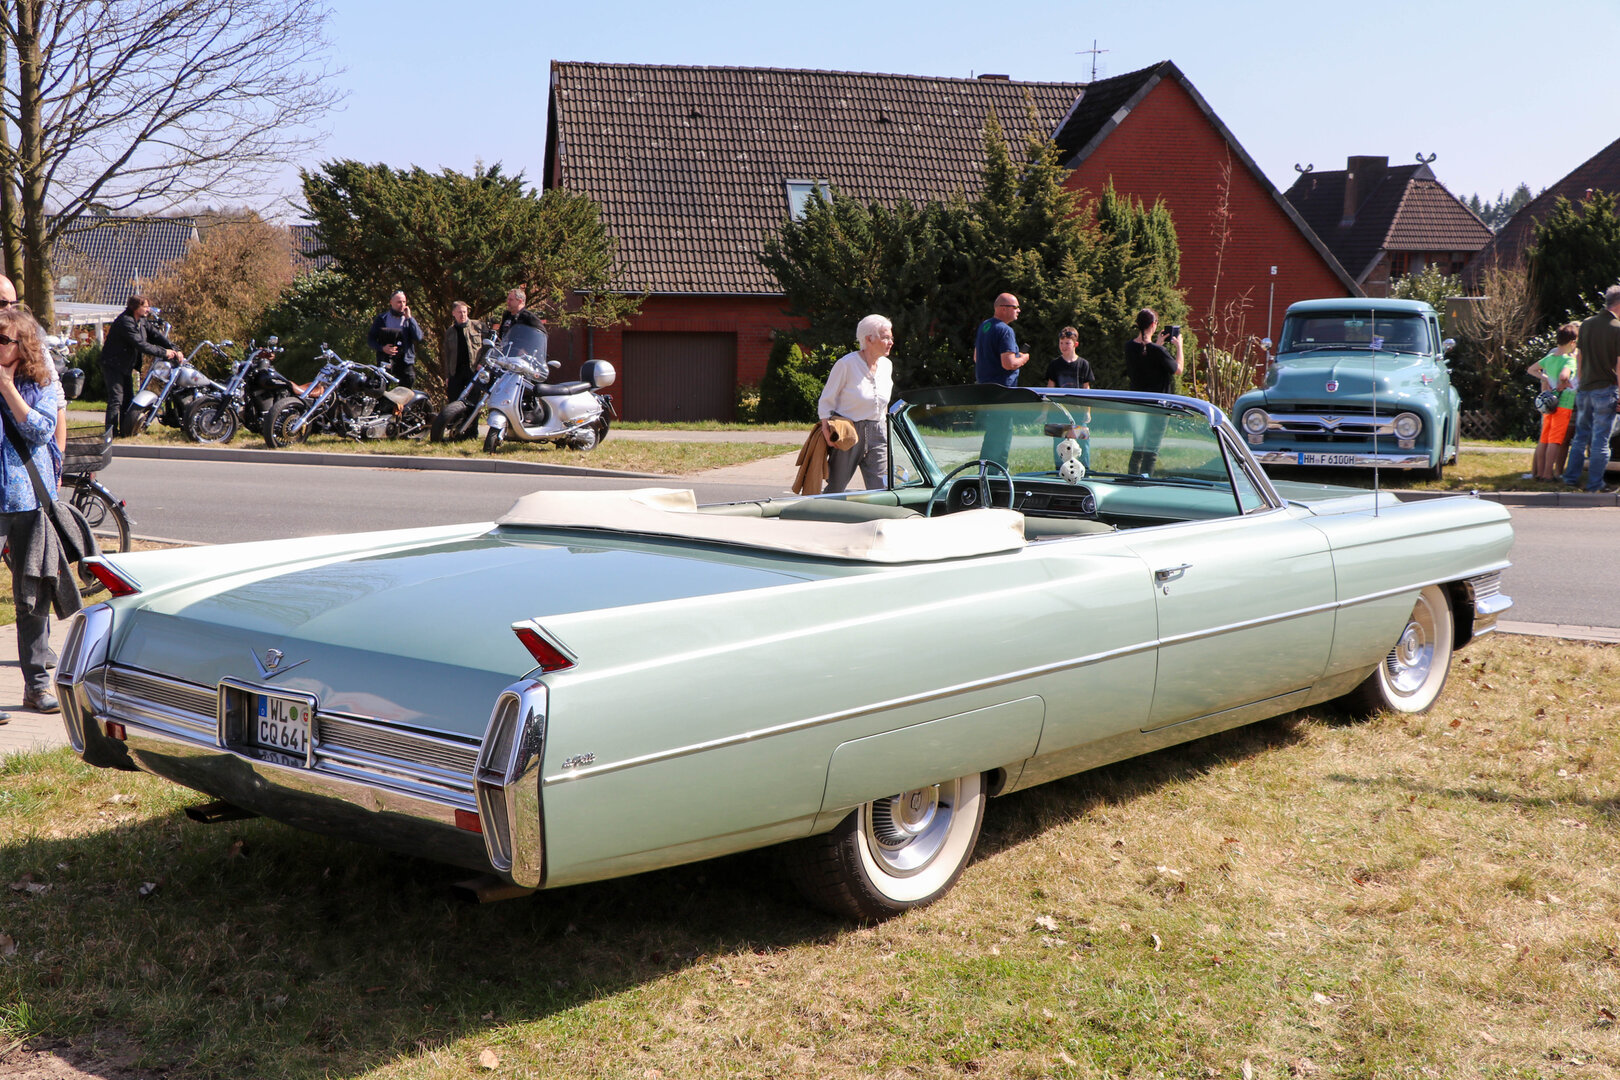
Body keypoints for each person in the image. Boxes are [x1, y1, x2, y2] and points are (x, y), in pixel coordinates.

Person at [0, 305, 67, 716]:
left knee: (32, 596)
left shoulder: (37, 383)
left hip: (28, 501)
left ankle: (37, 687)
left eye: (2, 340)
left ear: (22, 346)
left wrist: (7, 388)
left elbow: (42, 430)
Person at [817, 314, 895, 493]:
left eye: (891, 338)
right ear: (869, 339)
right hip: (848, 432)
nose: (890, 342)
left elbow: (883, 403)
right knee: (836, 488)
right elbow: (826, 399)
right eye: (885, 337)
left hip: (878, 432)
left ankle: (880, 513)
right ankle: (823, 511)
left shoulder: (887, 365)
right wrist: (826, 429)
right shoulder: (846, 364)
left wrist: (884, 428)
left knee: (882, 489)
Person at [1561, 285, 1620, 493]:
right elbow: (1619, 367)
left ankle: (1570, 479)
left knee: (1580, 436)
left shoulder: (1586, 324)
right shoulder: (1617, 328)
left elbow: (1580, 357)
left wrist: (1581, 381)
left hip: (1585, 387)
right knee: (1601, 440)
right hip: (1606, 388)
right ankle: (1595, 484)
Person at [0, 275, 65, 460]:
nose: (9, 310)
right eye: (2, 304)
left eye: (13, 304)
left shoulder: (36, 356)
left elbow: (57, 405)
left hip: (24, 471)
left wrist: (59, 457)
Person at [100, 295, 179, 433]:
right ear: (135, 307)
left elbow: (156, 336)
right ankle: (110, 433)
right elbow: (141, 344)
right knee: (116, 398)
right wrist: (164, 352)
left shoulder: (141, 321)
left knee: (128, 398)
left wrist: (174, 349)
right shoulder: (125, 322)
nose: (148, 309)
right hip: (113, 364)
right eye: (145, 306)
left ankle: (125, 430)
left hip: (125, 365)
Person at [1124, 307, 1184, 474]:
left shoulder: (1129, 347)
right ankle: (1144, 481)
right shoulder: (1158, 351)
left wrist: (1158, 345)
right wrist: (1179, 346)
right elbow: (1178, 369)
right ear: (1153, 324)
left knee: (1138, 448)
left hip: (1137, 405)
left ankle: (1131, 479)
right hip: (1158, 407)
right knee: (1151, 451)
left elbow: (1145, 360)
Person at [1529, 323, 1579, 481]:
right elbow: (1564, 375)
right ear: (1572, 342)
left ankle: (1540, 472)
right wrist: (1562, 384)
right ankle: (1548, 474)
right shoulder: (1570, 360)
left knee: (1544, 439)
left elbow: (1531, 369)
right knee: (1555, 440)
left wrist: (1546, 378)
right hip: (1563, 404)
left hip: (1549, 403)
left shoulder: (1550, 358)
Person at [1046, 326, 1093, 470]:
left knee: (1082, 444)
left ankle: (1085, 472)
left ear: (1075, 344)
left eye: (1067, 343)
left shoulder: (1083, 364)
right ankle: (1060, 472)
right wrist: (1045, 411)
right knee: (1060, 446)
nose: (1063, 346)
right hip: (1058, 412)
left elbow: (1086, 389)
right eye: (1061, 343)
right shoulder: (1054, 364)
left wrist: (1088, 411)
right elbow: (1050, 388)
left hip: (1078, 413)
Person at [366, 291, 424, 388]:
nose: (402, 305)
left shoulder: (408, 320)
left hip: (405, 361)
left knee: (407, 387)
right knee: (379, 388)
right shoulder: (382, 319)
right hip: (385, 360)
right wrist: (382, 348)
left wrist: (410, 318)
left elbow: (418, 337)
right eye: (399, 302)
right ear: (391, 302)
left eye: (404, 302)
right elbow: (370, 339)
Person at [973, 294, 1028, 387]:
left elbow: (976, 357)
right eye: (1015, 307)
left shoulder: (985, 325)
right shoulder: (1006, 330)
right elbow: (1008, 364)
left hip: (983, 388)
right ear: (1003, 309)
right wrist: (1023, 359)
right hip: (1002, 390)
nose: (1019, 310)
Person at [441, 301, 483, 402]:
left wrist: (482, 363)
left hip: (473, 370)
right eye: (459, 312)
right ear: (453, 313)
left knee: (473, 402)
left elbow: (488, 347)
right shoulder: (450, 331)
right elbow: (447, 355)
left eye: (464, 312)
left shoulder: (478, 326)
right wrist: (447, 375)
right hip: (456, 371)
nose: (462, 315)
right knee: (453, 401)